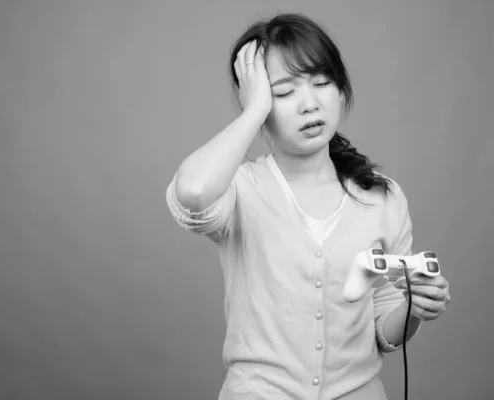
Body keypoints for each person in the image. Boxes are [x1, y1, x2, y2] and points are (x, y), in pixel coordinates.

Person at [165, 12, 451, 400]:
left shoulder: (382, 198)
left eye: (322, 82)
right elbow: (193, 192)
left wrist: (416, 308)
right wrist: (253, 111)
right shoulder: (240, 189)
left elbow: (384, 329)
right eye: (283, 93)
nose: (309, 104)